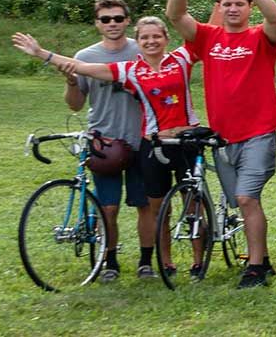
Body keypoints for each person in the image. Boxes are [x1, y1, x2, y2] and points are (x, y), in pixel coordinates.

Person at [16, 14, 198, 282]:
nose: (151, 41)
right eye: (145, 37)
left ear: (166, 39)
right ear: (138, 42)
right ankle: (130, 261)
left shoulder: (181, 59)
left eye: (156, 36)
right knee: (137, 207)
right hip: (141, 142)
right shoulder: (129, 69)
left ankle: (180, 263)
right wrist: (41, 53)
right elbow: (82, 67)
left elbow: (204, 34)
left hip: (176, 141)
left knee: (181, 205)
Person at [164, 0, 276, 288]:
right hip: (222, 137)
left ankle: (255, 269)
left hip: (258, 133)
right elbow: (175, 16)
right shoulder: (207, 37)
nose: (233, 9)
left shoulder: (261, 38)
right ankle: (261, 255)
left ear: (249, 8)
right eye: (226, 4)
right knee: (242, 202)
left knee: (247, 198)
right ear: (220, 6)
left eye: (239, 4)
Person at [53, 0, 143, 284]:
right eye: (106, 19)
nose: (112, 24)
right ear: (97, 23)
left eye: (118, 18)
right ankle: (110, 259)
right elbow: (75, 105)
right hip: (104, 141)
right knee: (108, 206)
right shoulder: (85, 57)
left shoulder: (143, 49)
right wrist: (70, 81)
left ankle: (146, 260)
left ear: (127, 20)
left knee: (146, 204)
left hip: (141, 138)